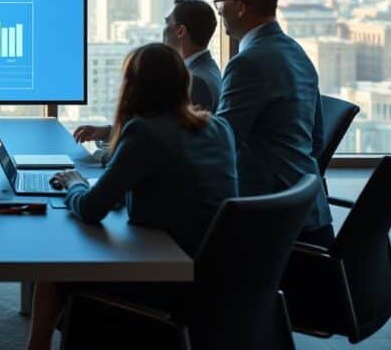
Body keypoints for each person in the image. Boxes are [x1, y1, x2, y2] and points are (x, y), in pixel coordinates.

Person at [25, 43, 238, 350]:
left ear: (133, 87)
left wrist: (74, 183)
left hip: (167, 277)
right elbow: (173, 185)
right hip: (215, 277)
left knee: (55, 270)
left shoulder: (145, 132)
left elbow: (89, 209)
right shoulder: (219, 127)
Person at [214, 0, 333, 246]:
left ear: (240, 7)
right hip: (308, 213)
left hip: (269, 224)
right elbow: (316, 141)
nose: (219, 10)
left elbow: (220, 144)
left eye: (222, 1)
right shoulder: (296, 52)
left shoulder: (248, 63)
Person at [73, 0, 222, 145]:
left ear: (181, 31)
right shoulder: (208, 70)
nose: (163, 30)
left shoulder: (195, 81)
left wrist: (105, 156)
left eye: (167, 22)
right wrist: (108, 132)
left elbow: (169, 141)